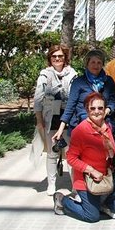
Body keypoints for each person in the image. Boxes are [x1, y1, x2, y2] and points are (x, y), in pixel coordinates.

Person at [53, 93, 115, 222]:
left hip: (105, 176)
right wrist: (91, 170)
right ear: (87, 110)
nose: (97, 112)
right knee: (92, 217)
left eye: (100, 108)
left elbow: (108, 149)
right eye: (92, 108)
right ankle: (62, 200)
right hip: (86, 180)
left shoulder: (107, 127)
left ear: (105, 109)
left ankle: (105, 206)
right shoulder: (80, 131)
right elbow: (71, 158)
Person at [33, 45, 77, 195]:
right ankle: (51, 184)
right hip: (51, 117)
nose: (57, 59)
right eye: (54, 56)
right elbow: (38, 99)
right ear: (50, 58)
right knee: (52, 152)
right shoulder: (45, 75)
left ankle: (75, 185)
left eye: (60, 56)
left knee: (71, 152)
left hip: (69, 117)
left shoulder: (72, 74)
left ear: (65, 57)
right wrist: (39, 121)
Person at [53, 49, 115, 140]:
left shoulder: (108, 81)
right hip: (82, 125)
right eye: (93, 62)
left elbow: (113, 101)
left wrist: (107, 110)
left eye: (99, 62)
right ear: (87, 64)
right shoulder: (78, 82)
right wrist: (61, 128)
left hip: (103, 124)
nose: (96, 65)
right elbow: (70, 105)